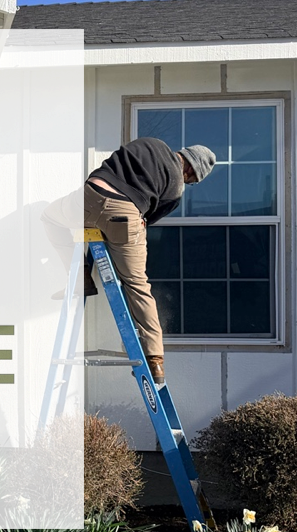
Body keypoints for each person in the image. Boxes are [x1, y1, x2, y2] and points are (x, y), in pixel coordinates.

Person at [42, 139, 216, 386]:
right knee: (136, 284)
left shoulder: (150, 143)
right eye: (192, 180)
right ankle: (154, 358)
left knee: (49, 216)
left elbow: (115, 160)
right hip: (122, 218)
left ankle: (81, 278)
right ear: (190, 170)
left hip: (88, 199)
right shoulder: (176, 187)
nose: (189, 182)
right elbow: (147, 218)